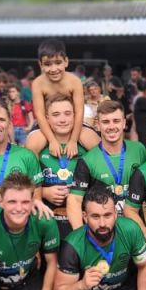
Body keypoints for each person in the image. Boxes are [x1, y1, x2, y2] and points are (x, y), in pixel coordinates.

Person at [25, 39, 100, 158]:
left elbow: (79, 112)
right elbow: (39, 114)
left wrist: (73, 140)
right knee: (32, 145)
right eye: (48, 64)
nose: (54, 69)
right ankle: (36, 170)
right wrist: (52, 140)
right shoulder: (38, 83)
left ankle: (99, 170)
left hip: (73, 123)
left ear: (66, 61)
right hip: (46, 124)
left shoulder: (74, 81)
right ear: (40, 64)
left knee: (93, 142)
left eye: (58, 62)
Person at [37, 94, 86, 239]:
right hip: (47, 223)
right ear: (47, 118)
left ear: (75, 116)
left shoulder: (87, 147)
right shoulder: (37, 149)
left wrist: (78, 193)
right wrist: (43, 192)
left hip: (81, 221)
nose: (62, 119)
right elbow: (23, 185)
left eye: (67, 113)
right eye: (56, 115)